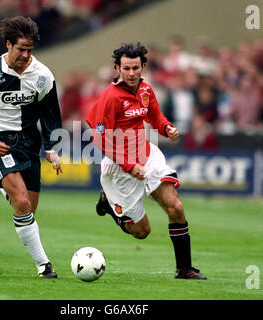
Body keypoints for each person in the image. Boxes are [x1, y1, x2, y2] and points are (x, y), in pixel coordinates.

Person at [86, 43, 206, 279]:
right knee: (142, 232)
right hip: (120, 168)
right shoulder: (110, 98)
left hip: (147, 156)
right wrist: (129, 166)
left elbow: (155, 117)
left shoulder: (146, 90)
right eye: (126, 68)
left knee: (176, 207)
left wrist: (166, 127)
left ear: (143, 67)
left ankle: (184, 269)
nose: (131, 73)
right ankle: (109, 205)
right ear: (117, 68)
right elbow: (101, 141)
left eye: (135, 68)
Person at [0, 16, 63, 279]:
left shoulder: (42, 75)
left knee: (28, 211)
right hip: (0, 141)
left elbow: (51, 114)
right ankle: (44, 266)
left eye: (30, 50)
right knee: (20, 202)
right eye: (21, 49)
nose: (26, 55)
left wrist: (52, 148)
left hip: (30, 142)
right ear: (8, 45)